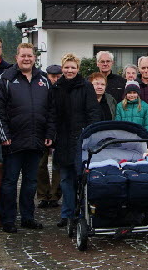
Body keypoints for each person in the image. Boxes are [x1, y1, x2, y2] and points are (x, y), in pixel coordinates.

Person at [0, 43, 56, 234]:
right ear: (17, 57)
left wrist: (49, 134)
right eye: (23, 56)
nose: (27, 59)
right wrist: (4, 136)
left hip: (36, 140)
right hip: (13, 141)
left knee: (30, 182)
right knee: (10, 182)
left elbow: (51, 110)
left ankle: (28, 217)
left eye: (30, 55)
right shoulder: (5, 79)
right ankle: (8, 219)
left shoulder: (43, 80)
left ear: (34, 58)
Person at [51, 54, 102, 228]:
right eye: (66, 67)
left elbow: (93, 112)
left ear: (78, 69)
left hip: (82, 139)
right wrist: (52, 135)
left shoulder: (86, 87)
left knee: (82, 179)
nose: (69, 70)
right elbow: (52, 114)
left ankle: (81, 212)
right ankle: (67, 214)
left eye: (73, 67)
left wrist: (90, 134)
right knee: (65, 179)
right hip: (63, 139)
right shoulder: (56, 87)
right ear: (62, 68)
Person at [37, 64, 63, 209]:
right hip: (43, 129)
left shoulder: (64, 89)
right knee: (40, 164)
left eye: (58, 76)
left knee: (58, 164)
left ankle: (54, 195)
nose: (55, 79)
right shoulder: (41, 89)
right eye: (53, 76)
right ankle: (42, 195)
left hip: (59, 129)